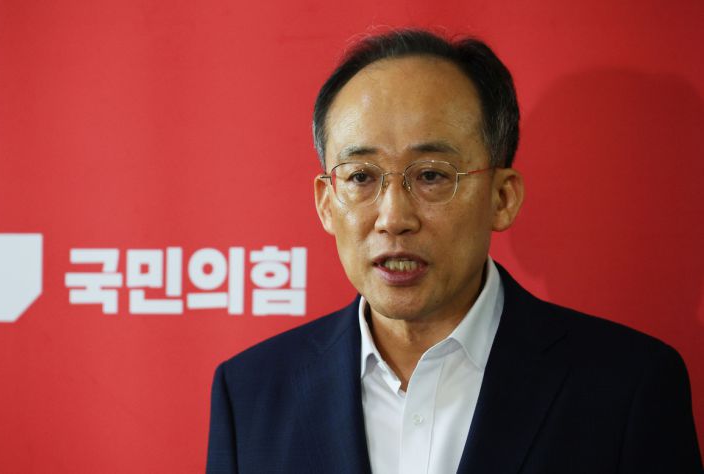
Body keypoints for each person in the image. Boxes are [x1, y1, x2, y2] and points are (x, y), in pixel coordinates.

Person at [206, 29, 702, 473]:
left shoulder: (627, 387)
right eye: (360, 177)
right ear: (326, 203)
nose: (394, 217)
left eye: (431, 175)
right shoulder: (249, 393)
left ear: (502, 198)